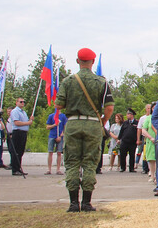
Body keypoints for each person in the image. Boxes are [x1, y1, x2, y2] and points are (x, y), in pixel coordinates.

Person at [55, 47, 114, 212]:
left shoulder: (68, 81)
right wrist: (102, 121)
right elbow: (109, 107)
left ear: (77, 61)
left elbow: (58, 105)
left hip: (73, 123)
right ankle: (87, 203)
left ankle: (73, 203)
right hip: (93, 124)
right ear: (93, 62)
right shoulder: (101, 82)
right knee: (89, 163)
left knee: (72, 162)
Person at [9, 97, 33, 176]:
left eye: (23, 102)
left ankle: (18, 168)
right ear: (16, 102)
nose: (22, 103)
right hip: (17, 132)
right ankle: (15, 169)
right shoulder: (15, 111)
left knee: (20, 151)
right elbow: (17, 123)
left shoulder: (23, 112)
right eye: (21, 102)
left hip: (23, 133)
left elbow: (25, 122)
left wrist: (29, 120)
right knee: (15, 151)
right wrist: (28, 123)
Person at [45, 109, 67, 175]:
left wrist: (61, 135)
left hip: (60, 136)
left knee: (59, 153)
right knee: (50, 152)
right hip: (52, 136)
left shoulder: (63, 116)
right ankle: (49, 169)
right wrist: (54, 125)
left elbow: (65, 127)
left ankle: (58, 169)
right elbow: (47, 127)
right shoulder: (51, 116)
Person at [142, 105, 157, 182]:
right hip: (150, 141)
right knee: (151, 159)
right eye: (153, 108)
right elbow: (143, 130)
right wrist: (150, 137)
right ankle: (152, 175)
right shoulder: (148, 118)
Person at [136, 103, 152, 174]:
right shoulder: (143, 118)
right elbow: (139, 129)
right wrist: (138, 139)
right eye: (148, 108)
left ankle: (150, 169)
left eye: (150, 108)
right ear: (146, 109)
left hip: (152, 136)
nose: (149, 110)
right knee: (142, 152)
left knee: (150, 153)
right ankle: (144, 168)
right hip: (144, 137)